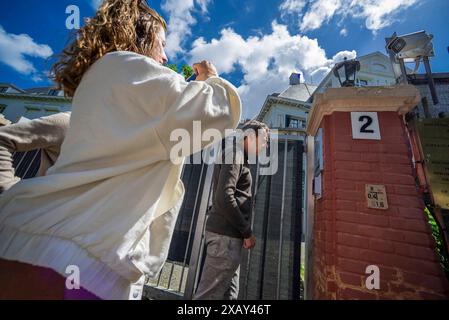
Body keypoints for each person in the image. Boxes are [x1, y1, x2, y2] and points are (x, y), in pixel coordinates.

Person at [0, 0, 241, 300]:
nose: (165, 57)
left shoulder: (100, 82)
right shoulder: (126, 67)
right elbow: (214, 113)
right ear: (138, 35)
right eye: (162, 44)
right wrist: (212, 79)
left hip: (30, 241)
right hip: (78, 263)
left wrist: (15, 197)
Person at [194, 120, 269, 300]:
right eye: (264, 140)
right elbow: (225, 197)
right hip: (225, 239)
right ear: (250, 137)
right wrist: (247, 232)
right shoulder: (234, 154)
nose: (265, 145)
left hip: (229, 238)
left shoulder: (238, 155)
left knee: (230, 297)